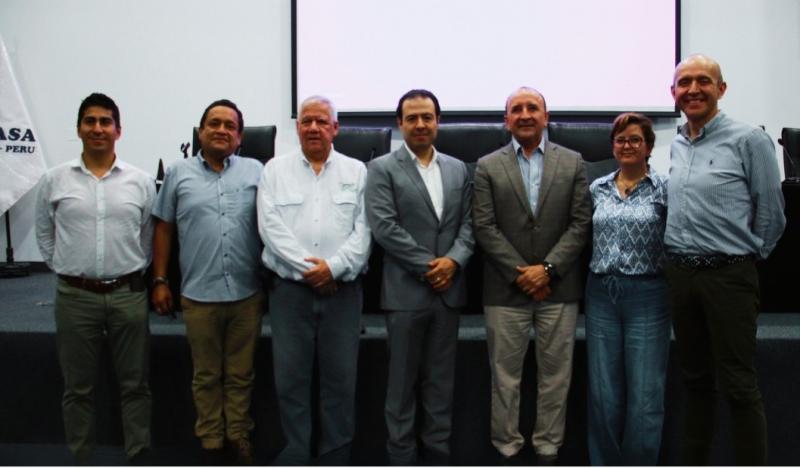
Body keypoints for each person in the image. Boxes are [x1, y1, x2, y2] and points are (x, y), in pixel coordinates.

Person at [665, 54, 786, 465]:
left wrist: (745, 261)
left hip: (728, 277)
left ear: (722, 89)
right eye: (684, 83)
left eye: (703, 81)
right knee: (696, 381)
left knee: (738, 384)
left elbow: (772, 213)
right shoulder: (678, 143)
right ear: (673, 93)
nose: (693, 89)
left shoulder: (749, 140)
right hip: (682, 277)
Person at [472, 86, 591, 465]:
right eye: (517, 109)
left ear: (546, 115)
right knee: (505, 379)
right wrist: (521, 273)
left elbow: (580, 222)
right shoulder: (487, 165)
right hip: (505, 289)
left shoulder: (573, 162)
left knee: (556, 377)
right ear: (506, 120)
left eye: (533, 108)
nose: (525, 115)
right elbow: (485, 226)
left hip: (559, 287)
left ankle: (547, 449)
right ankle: (506, 448)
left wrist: (549, 270)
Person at [35, 92, 154, 464]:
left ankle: (137, 455)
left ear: (119, 131)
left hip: (127, 295)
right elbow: (44, 233)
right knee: (78, 388)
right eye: (90, 121)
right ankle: (82, 458)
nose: (98, 128)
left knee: (135, 384)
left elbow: (147, 236)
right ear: (79, 129)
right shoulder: (55, 180)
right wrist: (64, 266)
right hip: (75, 297)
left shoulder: (140, 181)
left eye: (106, 122)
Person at [257, 95, 371, 465]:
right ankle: (296, 455)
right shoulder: (275, 170)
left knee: (340, 382)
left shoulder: (357, 172)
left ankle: (336, 457)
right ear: (297, 127)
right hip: (290, 293)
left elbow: (365, 232)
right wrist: (314, 272)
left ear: (335, 128)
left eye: (322, 121)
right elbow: (271, 230)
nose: (313, 128)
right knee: (291, 381)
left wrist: (333, 269)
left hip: (343, 293)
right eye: (306, 121)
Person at [151, 99, 264, 465]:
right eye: (213, 124)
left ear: (239, 137)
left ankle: (238, 434)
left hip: (246, 292)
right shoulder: (178, 174)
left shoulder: (256, 172)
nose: (221, 130)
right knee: (206, 375)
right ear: (200, 132)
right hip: (199, 295)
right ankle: (211, 438)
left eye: (229, 126)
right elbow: (164, 228)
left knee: (241, 373)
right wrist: (160, 279)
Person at [365, 89, 474, 465]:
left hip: (448, 294)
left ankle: (438, 456)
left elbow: (469, 224)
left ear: (438, 121)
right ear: (400, 124)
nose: (420, 124)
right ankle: (402, 458)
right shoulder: (381, 168)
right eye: (412, 117)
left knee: (440, 387)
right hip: (405, 295)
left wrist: (455, 261)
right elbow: (385, 228)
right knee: (401, 389)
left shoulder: (458, 168)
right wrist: (432, 267)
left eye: (427, 117)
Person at [585, 113, 670, 465]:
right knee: (604, 393)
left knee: (645, 394)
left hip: (647, 294)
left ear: (648, 146)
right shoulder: (597, 188)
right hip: (602, 293)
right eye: (620, 140)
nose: (627, 145)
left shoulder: (665, 189)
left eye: (635, 139)